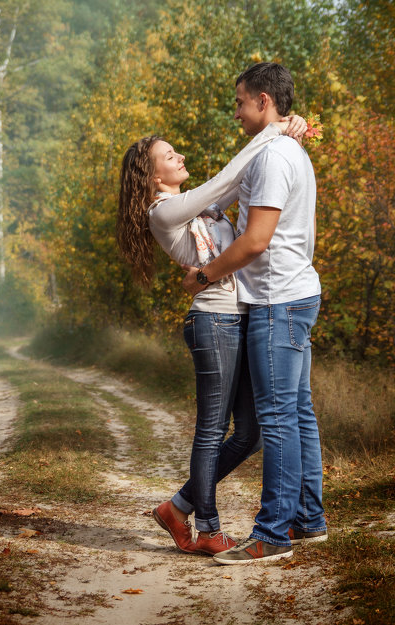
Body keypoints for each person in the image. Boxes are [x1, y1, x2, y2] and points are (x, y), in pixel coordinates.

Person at [116, 111, 307, 556]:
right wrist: (271, 131)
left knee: (250, 433)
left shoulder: (201, 208)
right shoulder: (163, 211)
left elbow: (254, 180)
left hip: (239, 317)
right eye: (168, 155)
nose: (179, 155)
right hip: (213, 321)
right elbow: (228, 176)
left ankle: (177, 507)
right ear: (151, 174)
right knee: (211, 430)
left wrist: (290, 136)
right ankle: (208, 529)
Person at [182, 62, 327, 565]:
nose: (237, 113)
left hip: (277, 301)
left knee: (278, 417)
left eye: (242, 102)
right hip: (297, 294)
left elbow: (255, 241)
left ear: (265, 101)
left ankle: (273, 534)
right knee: (298, 412)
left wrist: (203, 275)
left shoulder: (271, 160)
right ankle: (308, 520)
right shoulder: (291, 151)